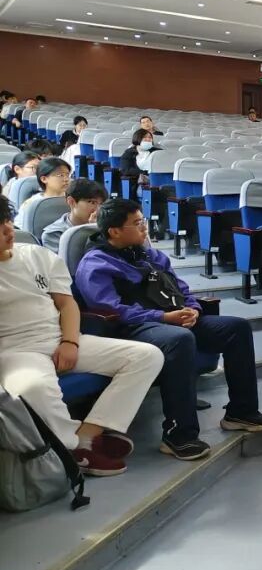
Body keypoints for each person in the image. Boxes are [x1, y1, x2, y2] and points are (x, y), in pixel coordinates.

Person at [76, 199, 262, 460]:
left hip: (171, 318)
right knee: (179, 339)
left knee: (236, 328)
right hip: (131, 328)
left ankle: (241, 412)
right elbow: (112, 310)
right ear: (114, 231)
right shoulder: (96, 264)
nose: (144, 228)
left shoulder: (150, 255)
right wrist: (162, 317)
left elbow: (180, 288)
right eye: (137, 223)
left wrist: (193, 309)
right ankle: (178, 435)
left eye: (143, 221)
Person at [0, 195, 163, 477]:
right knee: (33, 386)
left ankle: (87, 435)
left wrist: (69, 341)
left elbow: (67, 305)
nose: (7, 229)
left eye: (6, 220)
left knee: (147, 356)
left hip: (60, 337)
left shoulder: (37, 255)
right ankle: (72, 448)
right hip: (15, 350)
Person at [41, 178, 107, 253]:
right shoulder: (54, 234)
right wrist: (94, 231)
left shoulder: (106, 226)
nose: (98, 209)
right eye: (92, 202)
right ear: (71, 202)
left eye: (101, 204)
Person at [14, 157, 71, 230]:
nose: (66, 179)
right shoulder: (32, 203)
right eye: (60, 175)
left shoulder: (73, 199)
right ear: (44, 179)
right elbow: (21, 229)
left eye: (67, 175)